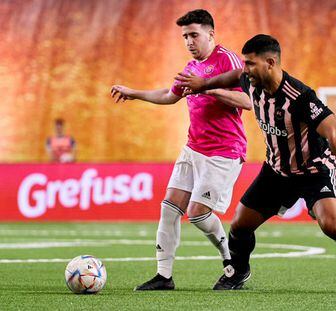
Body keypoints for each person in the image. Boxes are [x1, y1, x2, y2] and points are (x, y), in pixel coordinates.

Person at [176, 34, 336, 294]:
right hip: (277, 171)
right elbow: (234, 76)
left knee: (334, 226)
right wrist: (203, 84)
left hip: (313, 170)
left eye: (250, 63)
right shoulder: (249, 80)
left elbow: (335, 135)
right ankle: (239, 271)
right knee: (239, 225)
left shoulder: (301, 98)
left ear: (270, 63)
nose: (245, 69)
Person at [110, 9, 248, 290]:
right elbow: (169, 95)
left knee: (197, 213)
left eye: (194, 35)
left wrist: (207, 88)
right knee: (169, 208)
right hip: (193, 148)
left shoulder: (228, 60)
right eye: (185, 36)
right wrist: (133, 93)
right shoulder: (190, 68)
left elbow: (247, 100)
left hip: (224, 151)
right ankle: (164, 276)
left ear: (211, 34)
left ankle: (233, 264)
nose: (189, 41)